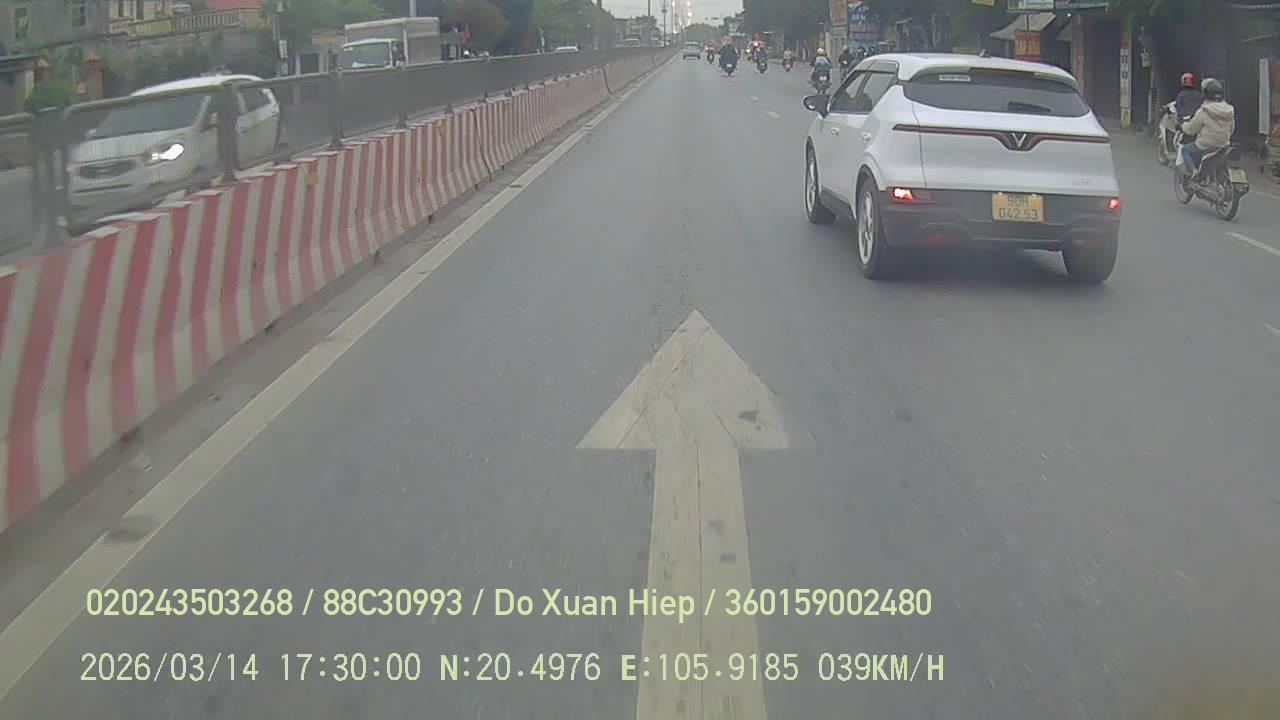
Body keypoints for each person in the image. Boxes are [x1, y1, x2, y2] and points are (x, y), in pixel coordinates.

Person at [1179, 78, 1235, 176]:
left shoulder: (1203, 111)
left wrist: (1183, 125)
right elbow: (1232, 129)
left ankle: (1194, 172)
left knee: (1185, 150)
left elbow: (1191, 130)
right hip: (1223, 146)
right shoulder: (1229, 110)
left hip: (1205, 146)